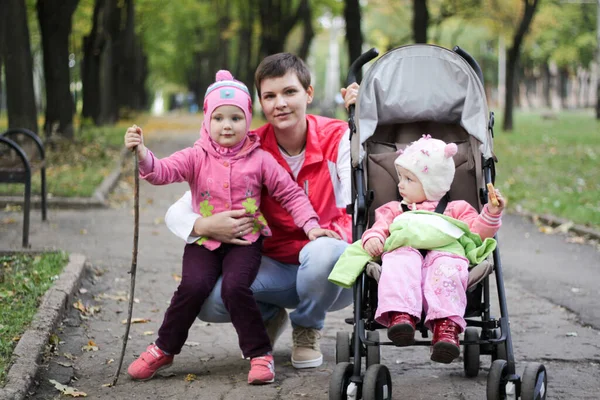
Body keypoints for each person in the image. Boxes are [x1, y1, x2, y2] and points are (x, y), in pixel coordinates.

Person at [124, 70, 339, 384]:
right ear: (207, 120)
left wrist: (311, 227)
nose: (227, 125)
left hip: (245, 241)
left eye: (236, 118)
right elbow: (162, 172)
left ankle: (259, 353)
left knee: (236, 288)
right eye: (219, 117)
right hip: (204, 243)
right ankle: (164, 348)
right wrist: (143, 155)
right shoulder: (196, 156)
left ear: (248, 120)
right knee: (192, 288)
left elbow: (290, 193)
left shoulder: (261, 159)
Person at [165, 53, 358, 369]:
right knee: (210, 299)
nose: (280, 103)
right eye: (270, 96)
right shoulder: (250, 150)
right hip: (276, 267)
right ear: (260, 103)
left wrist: (364, 115)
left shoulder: (339, 138)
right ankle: (268, 316)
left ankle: (307, 328)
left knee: (321, 251)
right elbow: (179, 209)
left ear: (308, 94)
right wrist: (204, 225)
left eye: (289, 92)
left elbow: (361, 203)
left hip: (331, 270)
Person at [328, 135, 505, 364]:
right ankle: (401, 315)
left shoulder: (457, 209)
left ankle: (446, 327)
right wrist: (373, 237)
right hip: (406, 255)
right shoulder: (393, 209)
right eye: (400, 177)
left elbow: (477, 236)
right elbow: (379, 228)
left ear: (432, 183)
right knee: (399, 260)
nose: (400, 184)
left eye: (409, 179)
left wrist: (491, 213)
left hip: (444, 257)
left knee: (447, 268)